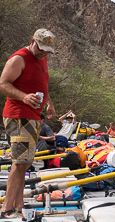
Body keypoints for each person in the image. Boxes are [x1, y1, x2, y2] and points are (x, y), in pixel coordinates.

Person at [0, 28, 55, 219]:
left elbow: (42, 83)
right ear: (32, 41)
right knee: (20, 162)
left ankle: (19, 205)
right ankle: (7, 208)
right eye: (41, 49)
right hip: (18, 115)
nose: (43, 53)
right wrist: (24, 97)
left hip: (33, 116)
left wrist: (49, 102)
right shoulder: (19, 58)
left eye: (47, 50)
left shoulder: (43, 58)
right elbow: (3, 84)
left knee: (26, 162)